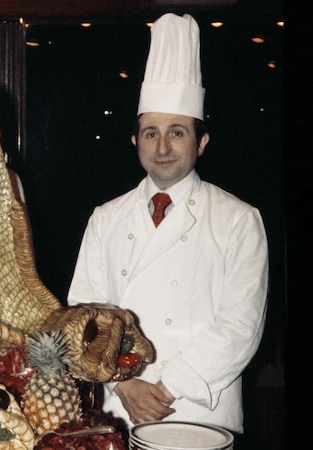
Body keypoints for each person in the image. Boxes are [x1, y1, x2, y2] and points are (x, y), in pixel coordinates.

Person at [66, 13, 269, 435]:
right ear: (134, 140)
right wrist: (126, 386)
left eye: (176, 132)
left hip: (196, 409)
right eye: (150, 133)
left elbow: (240, 327)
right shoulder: (105, 217)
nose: (162, 147)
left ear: (201, 142)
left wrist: (164, 387)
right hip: (117, 410)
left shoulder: (238, 219)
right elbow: (83, 314)